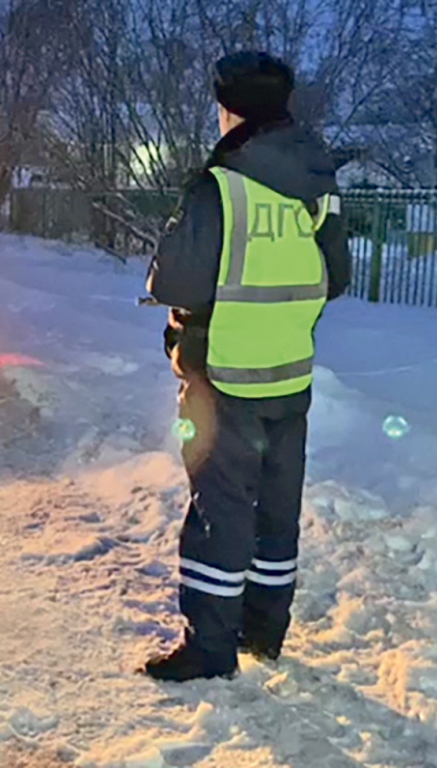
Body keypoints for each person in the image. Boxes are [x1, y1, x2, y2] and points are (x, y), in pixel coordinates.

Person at [142, 51, 351, 682]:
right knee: (276, 508)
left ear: (227, 108)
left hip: (223, 376)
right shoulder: (317, 181)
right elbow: (335, 277)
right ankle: (265, 630)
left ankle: (210, 648)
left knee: (220, 512)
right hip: (290, 374)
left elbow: (174, 278)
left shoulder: (220, 184)